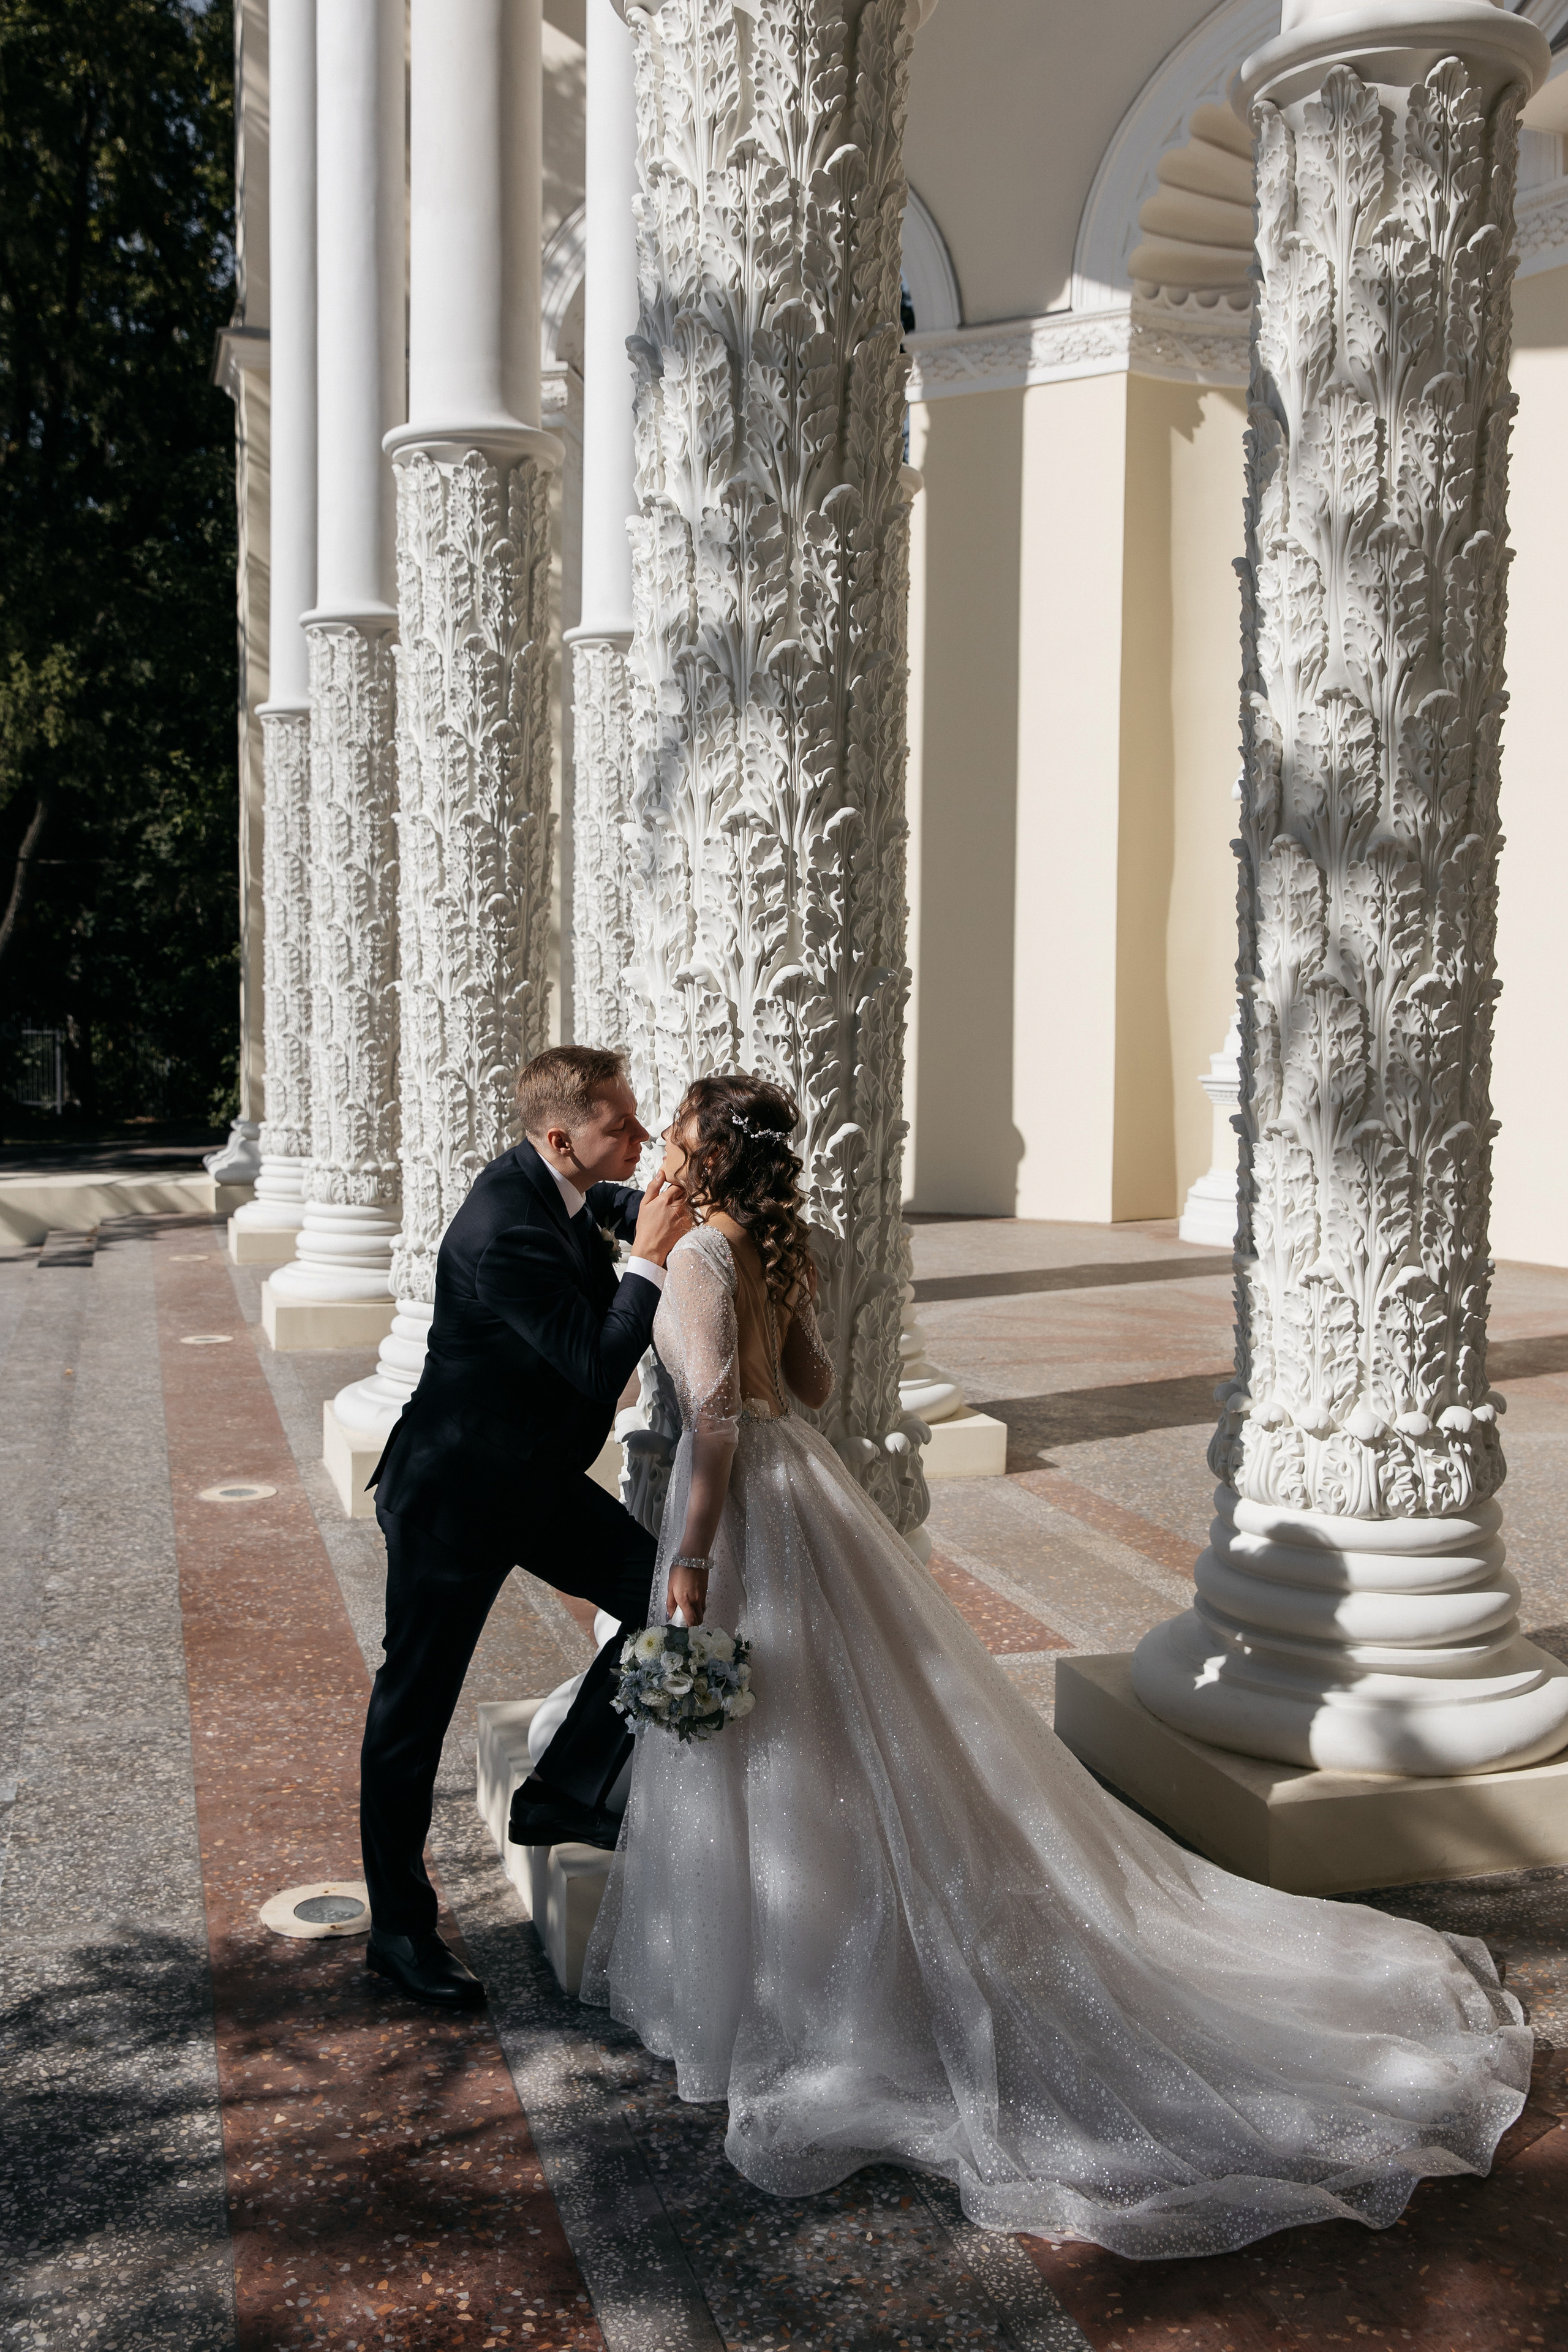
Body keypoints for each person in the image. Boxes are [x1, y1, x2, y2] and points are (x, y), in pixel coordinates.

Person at [582, 1069, 1532, 2260]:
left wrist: (685, 1564)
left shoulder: (698, 1261)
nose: (660, 1148)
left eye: (673, 1133)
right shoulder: (780, 1250)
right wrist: (793, 1319)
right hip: (809, 1492)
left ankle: (812, 1984)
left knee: (776, 1743)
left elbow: (714, 1420)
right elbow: (810, 1390)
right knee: (835, 1731)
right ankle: (839, 1951)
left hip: (742, 1519)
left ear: (705, 1157)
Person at [361, 1045, 691, 2010]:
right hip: (455, 1500)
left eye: (638, 1120)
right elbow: (596, 1366)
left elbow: (614, 1213)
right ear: (561, 1137)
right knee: (409, 1717)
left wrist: (682, 1202)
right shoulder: (504, 1225)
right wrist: (653, 1261)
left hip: (534, 1481)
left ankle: (562, 1790)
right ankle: (398, 1932)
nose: (641, 1137)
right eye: (621, 1126)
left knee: (660, 1601)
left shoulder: (563, 1185)